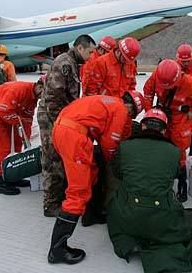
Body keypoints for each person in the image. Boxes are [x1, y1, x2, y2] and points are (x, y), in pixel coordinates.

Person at [47, 92, 144, 265]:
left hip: (62, 130)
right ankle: (57, 250)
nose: (129, 117)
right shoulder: (121, 109)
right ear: (131, 108)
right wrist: (113, 163)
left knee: (92, 173)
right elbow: (109, 144)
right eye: (132, 114)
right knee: (78, 193)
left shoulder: (108, 102)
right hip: (74, 137)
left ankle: (91, 215)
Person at [107, 108, 192, 272]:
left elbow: (118, 173)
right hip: (161, 217)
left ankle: (131, 238)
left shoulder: (125, 146)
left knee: (116, 199)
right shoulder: (174, 151)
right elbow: (174, 175)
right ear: (163, 130)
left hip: (128, 214)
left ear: (143, 127)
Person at [38, 34, 96, 217]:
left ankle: (58, 196)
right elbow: (53, 99)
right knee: (52, 160)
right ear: (80, 48)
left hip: (60, 117)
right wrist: (62, 125)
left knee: (60, 158)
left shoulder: (72, 64)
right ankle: (50, 204)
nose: (91, 56)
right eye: (90, 52)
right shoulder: (65, 63)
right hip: (52, 117)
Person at [143, 59, 192, 202]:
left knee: (179, 150)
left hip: (179, 118)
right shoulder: (157, 75)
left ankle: (182, 184)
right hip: (161, 115)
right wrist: (151, 113)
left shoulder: (189, 82)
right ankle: (160, 180)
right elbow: (147, 92)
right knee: (158, 146)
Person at [0, 79, 44, 195]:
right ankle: (1, 182)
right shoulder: (18, 89)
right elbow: (2, 110)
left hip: (10, 116)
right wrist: (17, 121)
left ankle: (13, 175)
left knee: (17, 144)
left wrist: (26, 138)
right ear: (39, 86)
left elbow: (27, 119)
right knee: (2, 149)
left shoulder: (32, 99)